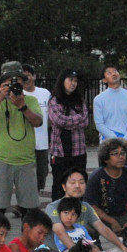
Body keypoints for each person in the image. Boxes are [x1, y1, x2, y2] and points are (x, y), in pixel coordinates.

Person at [0, 62, 42, 216]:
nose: (14, 85)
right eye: (9, 81)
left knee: (29, 210)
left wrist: (22, 106)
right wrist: (0, 98)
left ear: (23, 83)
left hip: (26, 160)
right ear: (2, 84)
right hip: (1, 160)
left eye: (18, 81)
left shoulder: (31, 101)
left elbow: (38, 122)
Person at [47, 166, 127, 252]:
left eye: (81, 182)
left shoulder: (86, 207)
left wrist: (124, 248)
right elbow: (61, 233)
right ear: (64, 187)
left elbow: (103, 228)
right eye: (73, 182)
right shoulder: (53, 207)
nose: (77, 186)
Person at [86, 139, 127, 243]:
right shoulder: (96, 177)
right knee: (86, 224)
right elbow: (91, 206)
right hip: (103, 217)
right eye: (115, 154)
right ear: (105, 158)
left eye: (123, 153)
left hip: (125, 215)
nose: (121, 157)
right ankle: (93, 247)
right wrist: (111, 221)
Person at [46, 69, 89, 201]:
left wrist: (68, 121)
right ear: (62, 81)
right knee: (60, 184)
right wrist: (77, 119)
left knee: (78, 184)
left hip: (78, 150)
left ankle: (78, 210)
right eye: (70, 80)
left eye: (75, 81)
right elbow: (58, 120)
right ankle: (58, 211)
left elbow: (85, 121)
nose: (73, 83)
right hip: (59, 151)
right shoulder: (54, 100)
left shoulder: (79, 100)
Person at [93, 65, 127, 170]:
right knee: (106, 176)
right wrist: (115, 139)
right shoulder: (99, 99)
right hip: (107, 142)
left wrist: (125, 138)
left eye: (115, 71)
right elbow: (99, 124)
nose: (113, 74)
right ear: (104, 80)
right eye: (109, 72)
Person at [19, 65, 52, 195]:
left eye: (28, 75)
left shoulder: (45, 93)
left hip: (42, 143)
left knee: (41, 173)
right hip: (24, 143)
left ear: (34, 76)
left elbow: (51, 117)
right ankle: (25, 201)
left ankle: (35, 197)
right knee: (25, 175)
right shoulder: (18, 95)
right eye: (23, 76)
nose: (26, 79)